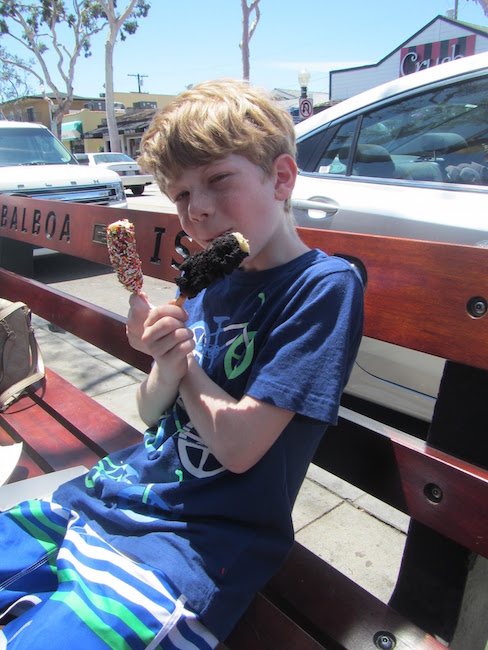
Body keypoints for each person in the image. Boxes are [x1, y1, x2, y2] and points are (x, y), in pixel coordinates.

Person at [0, 79, 364, 649]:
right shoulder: (209, 283)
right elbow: (151, 411)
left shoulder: (323, 287)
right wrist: (162, 362)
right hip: (105, 496)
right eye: (180, 195)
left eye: (218, 180)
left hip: (186, 547)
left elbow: (239, 447)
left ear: (282, 177)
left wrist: (183, 364)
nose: (196, 209)